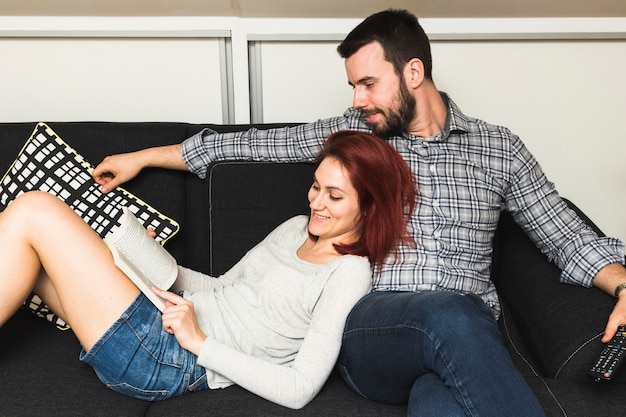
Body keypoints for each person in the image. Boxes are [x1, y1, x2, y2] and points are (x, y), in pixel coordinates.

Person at [92, 8, 626, 417]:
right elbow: (256, 145)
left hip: (467, 340)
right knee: (451, 314)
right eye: (352, 85)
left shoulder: (499, 148)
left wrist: (625, 287)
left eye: (368, 83)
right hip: (376, 330)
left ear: (413, 71)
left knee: (438, 397)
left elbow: (565, 235)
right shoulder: (359, 138)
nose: (358, 98)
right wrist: (144, 156)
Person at [0, 130, 416, 409]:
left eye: (334, 196)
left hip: (172, 359)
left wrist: (199, 343)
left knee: (35, 209)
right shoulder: (295, 229)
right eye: (315, 186)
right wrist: (144, 257)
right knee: (33, 252)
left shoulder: (350, 272)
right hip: (166, 316)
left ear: (370, 204)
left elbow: (300, 388)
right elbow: (222, 287)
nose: (315, 202)